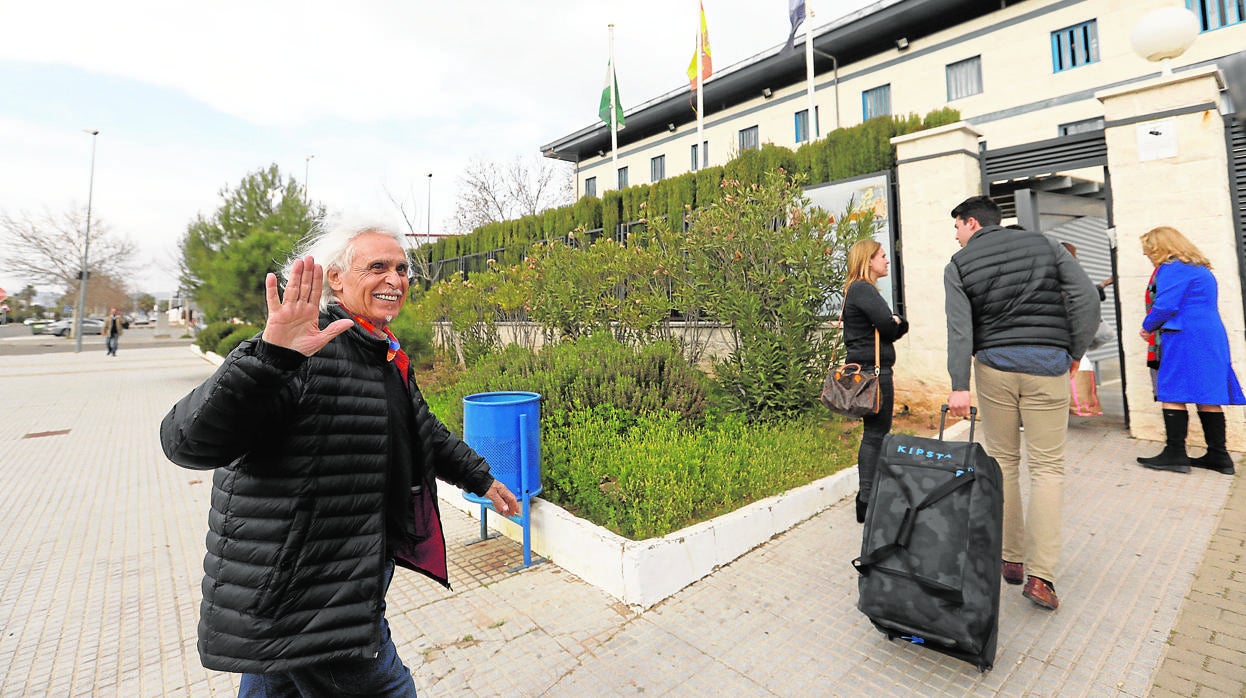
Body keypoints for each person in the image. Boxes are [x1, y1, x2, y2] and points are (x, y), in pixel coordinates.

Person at [160, 221, 519, 696]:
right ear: (336, 279)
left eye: (401, 269)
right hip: (311, 592)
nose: (395, 280)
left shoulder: (376, 350)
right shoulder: (302, 350)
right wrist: (268, 358)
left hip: (316, 586)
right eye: (377, 267)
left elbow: (419, 427)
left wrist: (478, 477)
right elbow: (187, 441)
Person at [944, 196, 1099, 612]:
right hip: (1047, 365)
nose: (956, 236)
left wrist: (960, 384)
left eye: (956, 227)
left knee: (1003, 461)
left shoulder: (959, 265)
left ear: (972, 223)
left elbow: (960, 330)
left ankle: (1010, 558)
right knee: (1048, 467)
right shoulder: (1045, 245)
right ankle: (1041, 577)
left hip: (994, 367)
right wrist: (1072, 351)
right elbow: (1087, 299)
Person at [1135, 225, 1244, 475]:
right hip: (1208, 334)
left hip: (1186, 336)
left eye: (1149, 250)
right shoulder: (1198, 268)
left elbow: (1165, 305)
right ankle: (1219, 456)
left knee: (1172, 390)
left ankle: (1175, 454)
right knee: (1207, 393)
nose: (1147, 255)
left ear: (1162, 247)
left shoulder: (1173, 268)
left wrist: (1147, 327)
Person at [840, 239, 909, 523]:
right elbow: (888, 327)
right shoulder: (863, 289)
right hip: (875, 374)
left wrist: (894, 321)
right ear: (868, 260)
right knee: (876, 435)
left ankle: (867, 498)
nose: (886, 260)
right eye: (882, 256)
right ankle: (867, 500)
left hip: (866, 371)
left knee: (874, 433)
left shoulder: (855, 290)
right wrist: (899, 322)